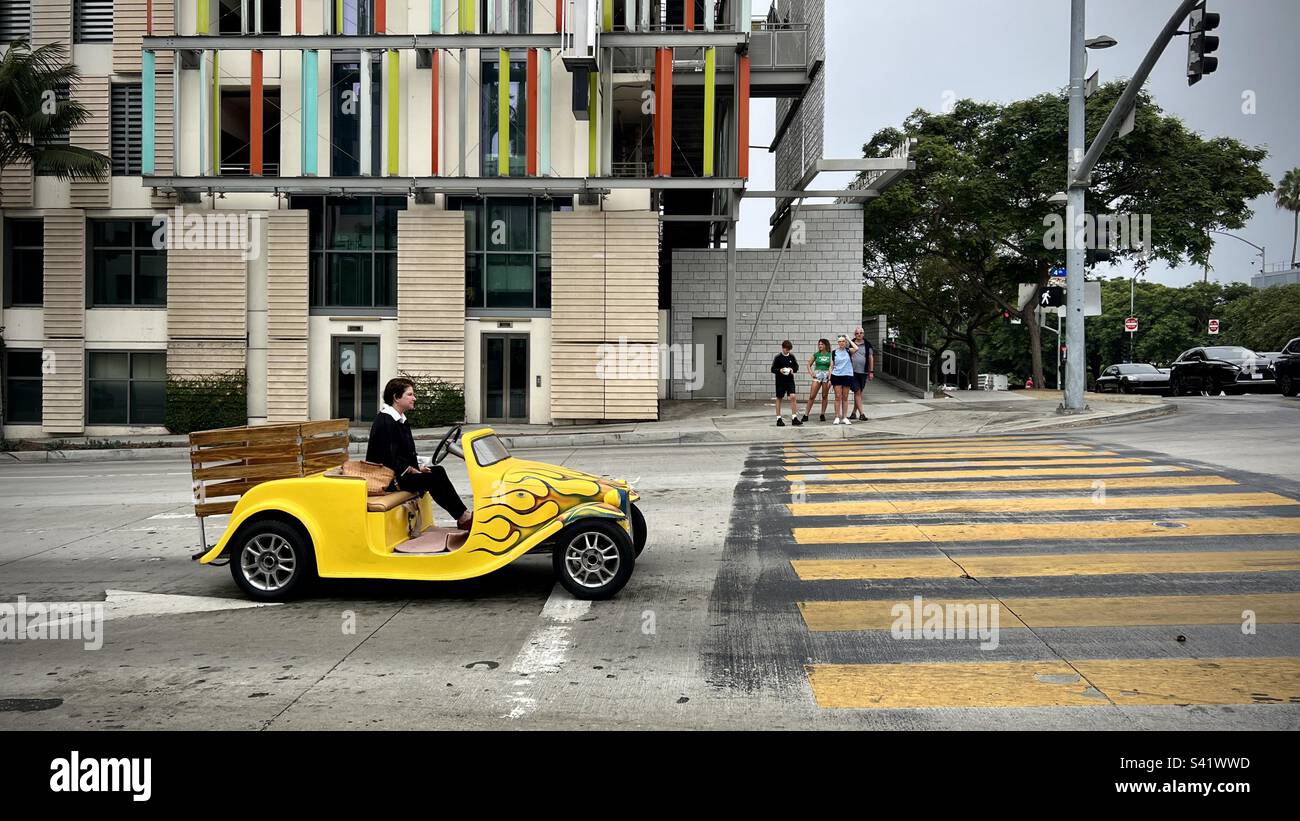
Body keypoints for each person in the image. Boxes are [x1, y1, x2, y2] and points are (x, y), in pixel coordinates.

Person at [367, 377, 473, 530]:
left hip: (397, 474)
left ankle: (463, 516)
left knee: (438, 471)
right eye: (409, 395)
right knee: (434, 478)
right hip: (388, 479)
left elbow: (403, 454)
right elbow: (387, 458)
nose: (414, 398)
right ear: (396, 397)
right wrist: (410, 469)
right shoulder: (385, 421)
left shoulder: (398, 419)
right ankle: (463, 517)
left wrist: (417, 466)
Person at [771, 340, 803, 427]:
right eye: (786, 349)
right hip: (780, 381)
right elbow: (773, 369)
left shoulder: (792, 357)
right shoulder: (778, 357)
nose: (787, 351)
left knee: (793, 396)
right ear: (783, 348)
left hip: (790, 380)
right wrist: (779, 370)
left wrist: (792, 370)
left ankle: (794, 417)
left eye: (788, 350)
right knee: (779, 398)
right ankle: (778, 418)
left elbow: (796, 367)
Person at [801, 339, 833, 423]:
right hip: (818, 375)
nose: (820, 346)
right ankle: (806, 415)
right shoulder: (816, 354)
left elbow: (831, 366)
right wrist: (811, 373)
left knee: (824, 396)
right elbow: (808, 364)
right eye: (819, 344)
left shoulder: (830, 355)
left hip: (826, 375)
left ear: (826, 345)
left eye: (822, 344)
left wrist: (830, 377)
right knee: (812, 396)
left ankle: (822, 414)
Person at [830, 335, 859, 425]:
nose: (841, 343)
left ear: (845, 342)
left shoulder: (848, 350)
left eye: (843, 341)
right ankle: (837, 417)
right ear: (838, 343)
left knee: (845, 397)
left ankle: (845, 417)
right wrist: (829, 377)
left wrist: (849, 339)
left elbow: (856, 348)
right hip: (836, 375)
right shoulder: (834, 352)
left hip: (847, 375)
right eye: (840, 341)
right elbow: (832, 365)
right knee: (838, 396)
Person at [848, 327, 875, 421]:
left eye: (861, 333)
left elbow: (871, 358)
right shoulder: (850, 343)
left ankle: (853, 413)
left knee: (858, 393)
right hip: (852, 372)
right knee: (857, 391)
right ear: (854, 334)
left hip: (863, 372)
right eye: (857, 333)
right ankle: (862, 414)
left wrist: (871, 371)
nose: (859, 334)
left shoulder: (867, 344)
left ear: (863, 334)